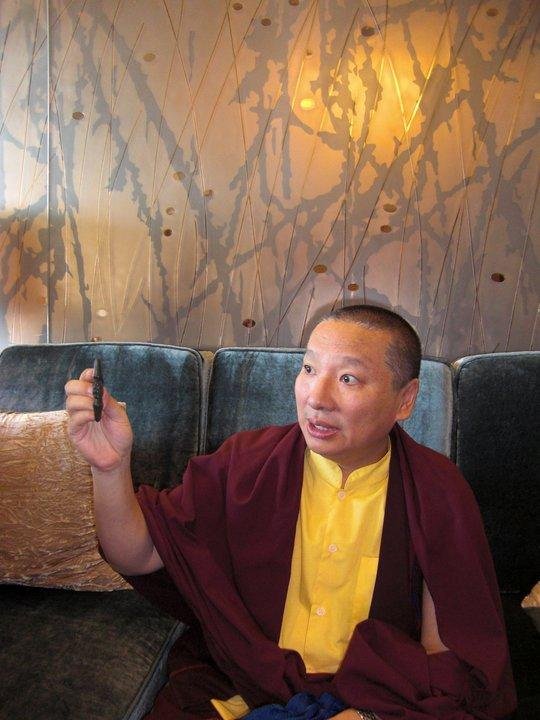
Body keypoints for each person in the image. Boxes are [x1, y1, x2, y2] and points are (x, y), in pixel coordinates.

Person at [65, 305, 516, 720]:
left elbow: (446, 658)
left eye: (348, 379)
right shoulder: (246, 464)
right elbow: (139, 555)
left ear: (406, 399)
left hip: (372, 700)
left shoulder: (436, 490)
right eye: (309, 369)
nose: (317, 397)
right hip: (241, 689)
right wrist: (110, 468)